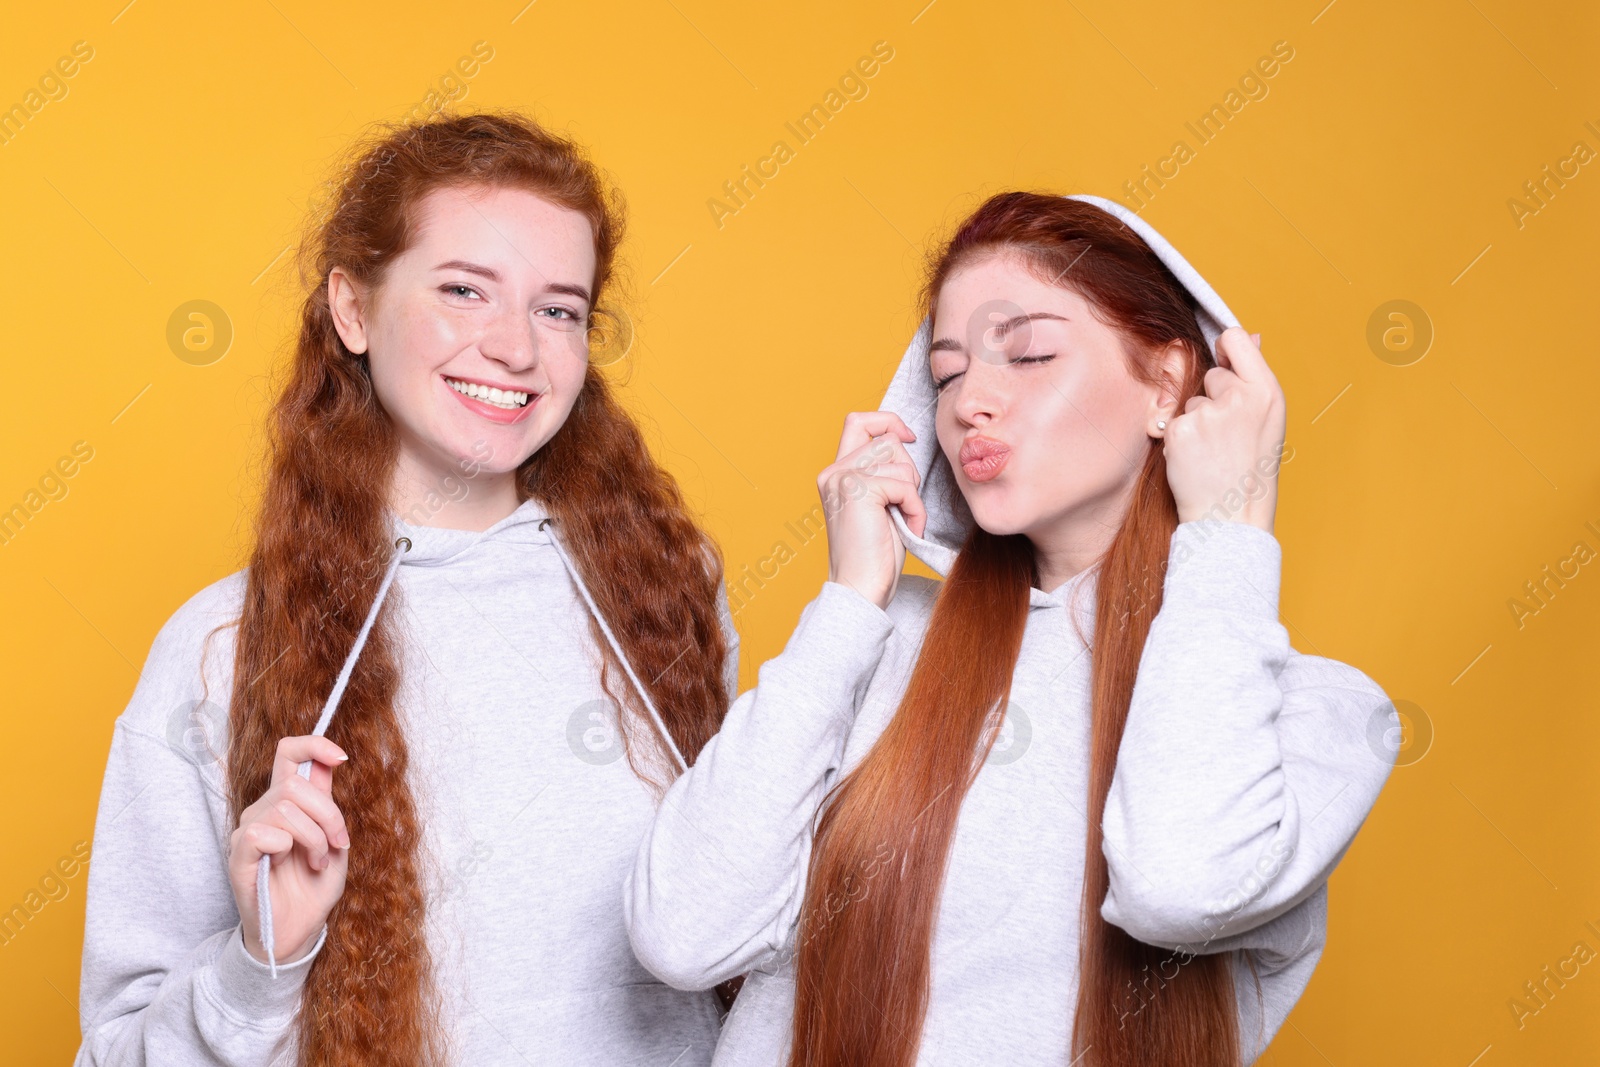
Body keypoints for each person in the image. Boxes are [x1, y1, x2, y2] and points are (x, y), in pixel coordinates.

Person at [625, 191, 1399, 1066]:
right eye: (948, 374)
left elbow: (1176, 889)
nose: (968, 404)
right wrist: (849, 599)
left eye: (1028, 354)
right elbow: (682, 933)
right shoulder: (876, 650)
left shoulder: (1314, 719)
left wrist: (1227, 528)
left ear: (1168, 383)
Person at [76, 111, 737, 1066]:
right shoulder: (222, 644)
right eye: (465, 290)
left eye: (558, 309)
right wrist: (263, 963)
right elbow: (115, 1054)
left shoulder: (669, 591)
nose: (515, 348)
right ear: (352, 309)